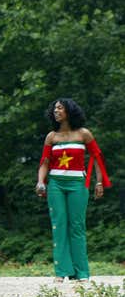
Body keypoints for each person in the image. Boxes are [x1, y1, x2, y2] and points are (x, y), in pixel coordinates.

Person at [36, 98, 111, 282]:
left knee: (77, 226)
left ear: (69, 111)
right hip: (56, 185)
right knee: (59, 225)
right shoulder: (51, 137)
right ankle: (61, 272)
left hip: (78, 183)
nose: (56, 111)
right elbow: (45, 163)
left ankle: (81, 273)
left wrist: (99, 182)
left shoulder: (83, 134)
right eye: (54, 108)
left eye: (60, 108)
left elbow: (97, 158)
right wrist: (40, 182)